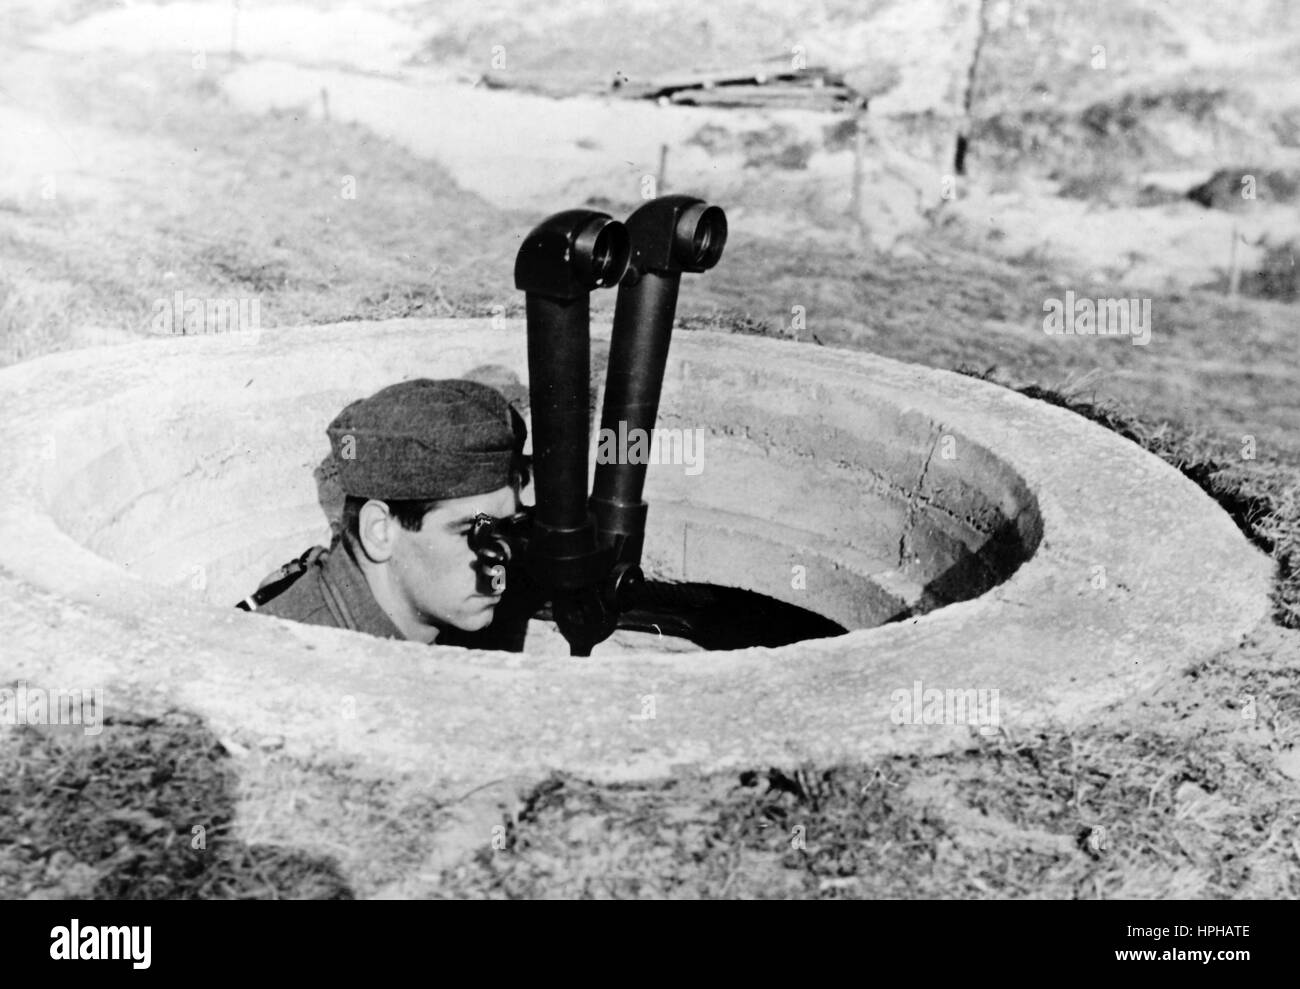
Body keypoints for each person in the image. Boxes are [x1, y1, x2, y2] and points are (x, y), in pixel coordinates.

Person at [238, 378, 530, 645]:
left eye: (506, 528)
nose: (497, 567)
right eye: (470, 533)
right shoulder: (298, 657)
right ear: (379, 531)